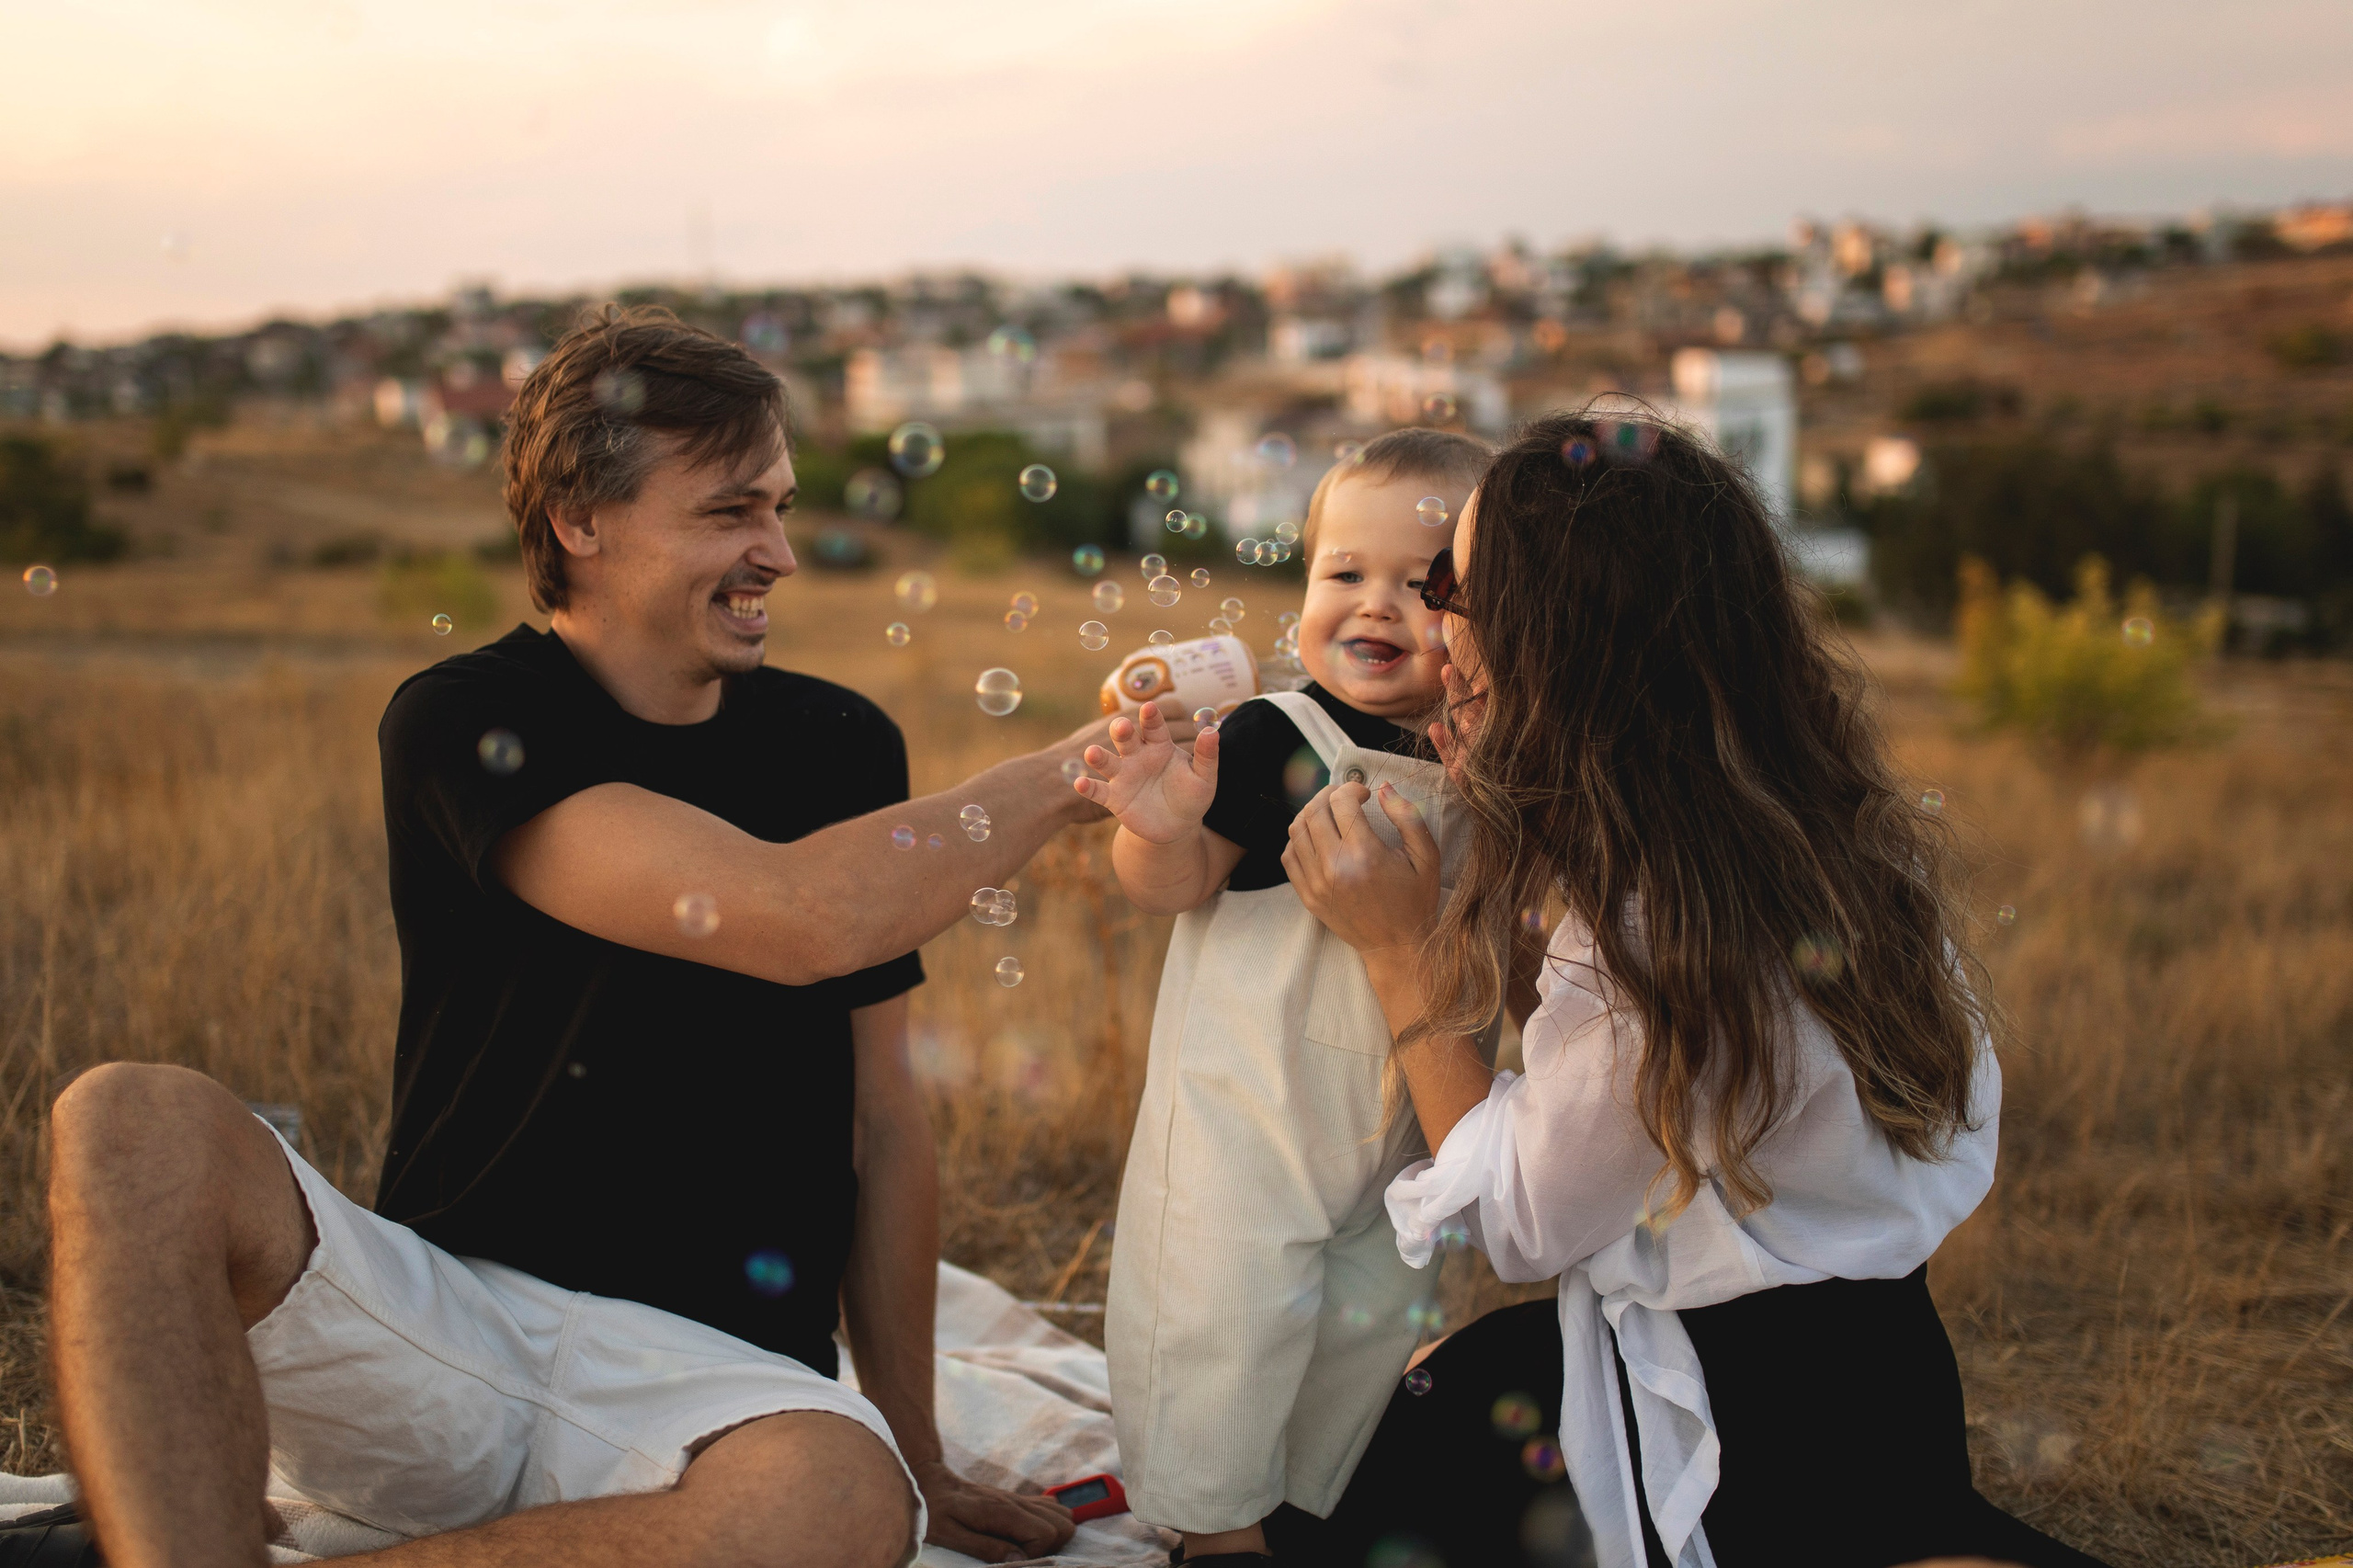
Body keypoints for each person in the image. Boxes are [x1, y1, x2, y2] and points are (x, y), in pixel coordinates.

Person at [29, 306, 1097, 1568]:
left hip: (711, 1390)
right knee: (125, 1114)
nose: (780, 553)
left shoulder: (841, 743)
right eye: (729, 512)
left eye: (781, 507)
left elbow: (882, 1118)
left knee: (842, 1501)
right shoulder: (466, 714)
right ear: (580, 521)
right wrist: (1074, 773)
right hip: (454, 1326)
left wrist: (920, 1456)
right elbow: (797, 914)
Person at [1272, 412, 2112, 1568]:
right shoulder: (1794, 837)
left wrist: (1399, 957)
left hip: (1732, 1430)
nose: (1427, 617)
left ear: (1554, 638)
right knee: (1427, 1395)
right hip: (1883, 1385)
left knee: (1340, 1498)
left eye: (1452, 583)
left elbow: (1523, 1220)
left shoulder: (1661, 935)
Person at [1083, 430, 1494, 1563]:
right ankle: (1213, 1534)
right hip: (1243, 1133)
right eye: (1342, 573)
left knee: (1353, 1353)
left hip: (1401, 1147)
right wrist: (1156, 827)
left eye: (1424, 585)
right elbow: (1176, 885)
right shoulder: (1275, 735)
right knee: (1222, 1339)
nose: (1376, 605)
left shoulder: (1496, 765)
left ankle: (1296, 1518)